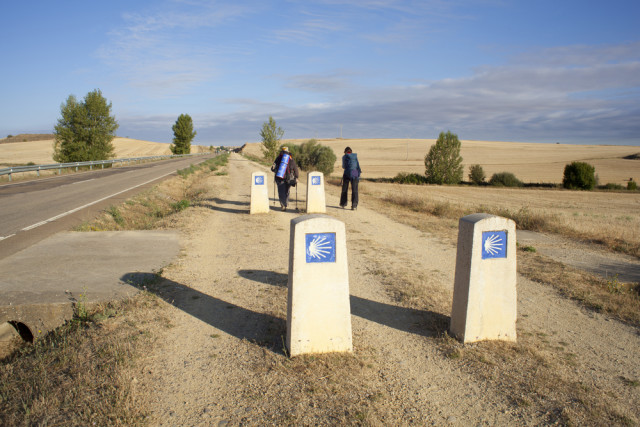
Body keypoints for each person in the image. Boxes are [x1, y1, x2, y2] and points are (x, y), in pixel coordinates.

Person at [271, 146, 300, 211]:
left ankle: (283, 205)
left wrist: (275, 170)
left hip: (279, 178)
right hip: (289, 178)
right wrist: (296, 177)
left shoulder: (278, 158)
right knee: (287, 191)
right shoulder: (290, 158)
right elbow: (295, 168)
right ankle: (285, 203)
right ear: (288, 150)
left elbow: (272, 168)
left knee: (281, 192)